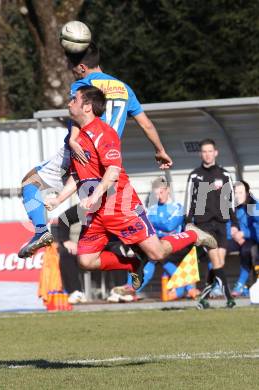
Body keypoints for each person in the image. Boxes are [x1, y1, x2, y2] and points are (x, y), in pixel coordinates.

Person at [45, 85, 217, 289]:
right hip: (97, 212)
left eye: (74, 99)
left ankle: (193, 234)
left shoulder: (104, 133)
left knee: (158, 253)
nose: (69, 102)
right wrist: (58, 199)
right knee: (86, 261)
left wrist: (95, 196)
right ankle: (134, 264)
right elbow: (77, 175)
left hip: (120, 206)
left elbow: (113, 171)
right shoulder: (76, 139)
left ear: (88, 106)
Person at [18, 42, 172, 258]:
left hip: (82, 149)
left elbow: (78, 116)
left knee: (30, 181)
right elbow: (146, 124)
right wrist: (160, 150)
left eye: (73, 69)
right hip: (106, 157)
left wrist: (72, 140)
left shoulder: (83, 85)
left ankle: (40, 231)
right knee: (108, 225)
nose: (72, 74)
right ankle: (127, 250)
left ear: (81, 67)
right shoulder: (125, 89)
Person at [108, 177, 200, 302]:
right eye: (156, 193)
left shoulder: (177, 207)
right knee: (146, 257)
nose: (158, 196)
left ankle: (132, 290)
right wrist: (156, 226)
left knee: (154, 257)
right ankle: (130, 289)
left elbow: (170, 226)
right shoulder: (151, 209)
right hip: (156, 245)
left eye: (161, 192)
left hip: (175, 245)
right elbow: (145, 226)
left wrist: (154, 225)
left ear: (167, 190)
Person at [185, 138, 237, 309]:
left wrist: (235, 224)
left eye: (210, 151)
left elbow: (230, 202)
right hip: (204, 226)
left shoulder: (225, 175)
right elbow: (188, 201)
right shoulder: (194, 175)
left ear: (216, 152)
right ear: (201, 154)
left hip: (221, 224)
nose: (207, 154)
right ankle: (229, 298)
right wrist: (188, 222)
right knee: (216, 262)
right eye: (204, 151)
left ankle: (202, 298)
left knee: (219, 262)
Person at [227, 181, 258, 297]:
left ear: (247, 193)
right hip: (237, 239)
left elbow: (257, 229)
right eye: (235, 193)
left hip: (251, 239)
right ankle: (215, 284)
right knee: (217, 248)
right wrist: (234, 233)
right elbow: (226, 226)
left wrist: (243, 234)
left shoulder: (252, 206)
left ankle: (241, 284)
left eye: (241, 192)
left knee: (247, 250)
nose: (237, 195)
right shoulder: (232, 207)